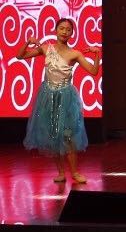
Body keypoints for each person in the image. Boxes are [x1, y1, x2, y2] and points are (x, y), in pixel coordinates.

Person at [18, 18, 100, 183]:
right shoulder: (46, 48)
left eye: (68, 29)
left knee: (68, 136)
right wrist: (28, 42)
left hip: (66, 98)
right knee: (53, 134)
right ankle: (61, 173)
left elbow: (93, 71)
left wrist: (97, 54)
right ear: (56, 30)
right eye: (61, 28)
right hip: (48, 97)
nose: (64, 32)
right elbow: (20, 56)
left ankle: (75, 173)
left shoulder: (75, 54)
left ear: (72, 33)